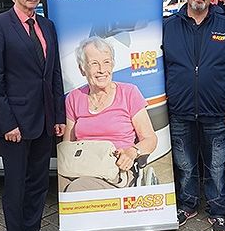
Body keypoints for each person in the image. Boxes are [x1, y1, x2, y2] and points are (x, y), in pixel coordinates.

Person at [0, 0, 65, 231]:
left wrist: (58, 114)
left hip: (44, 120)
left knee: (38, 182)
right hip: (15, 122)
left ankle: (32, 230)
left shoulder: (47, 25)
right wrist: (8, 123)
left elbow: (53, 73)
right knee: (16, 184)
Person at [163, 0, 225, 231]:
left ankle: (218, 210)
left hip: (216, 111)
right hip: (180, 110)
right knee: (185, 164)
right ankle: (187, 204)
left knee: (216, 166)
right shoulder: (168, 26)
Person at [60, 36, 158, 191]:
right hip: (81, 166)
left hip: (116, 170)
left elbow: (150, 139)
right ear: (82, 69)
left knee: (76, 189)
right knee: (60, 183)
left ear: (112, 64)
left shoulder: (129, 93)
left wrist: (132, 152)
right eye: (94, 63)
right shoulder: (74, 97)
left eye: (106, 62)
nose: (101, 70)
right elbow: (68, 145)